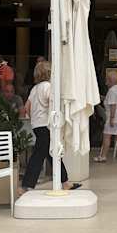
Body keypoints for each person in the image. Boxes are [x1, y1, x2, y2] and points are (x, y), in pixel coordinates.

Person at [19, 61, 81, 191]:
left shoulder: (34, 89)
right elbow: (52, 102)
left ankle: (65, 182)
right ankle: (26, 185)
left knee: (52, 153)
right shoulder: (48, 87)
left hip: (37, 125)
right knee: (40, 155)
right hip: (46, 125)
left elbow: (27, 107)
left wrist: (33, 118)